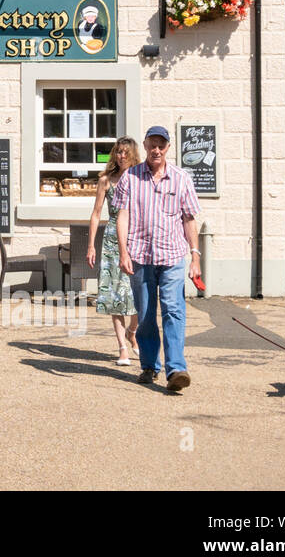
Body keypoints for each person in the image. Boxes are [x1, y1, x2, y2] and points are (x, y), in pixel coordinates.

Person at [115, 125, 202, 391]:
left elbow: (189, 218)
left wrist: (195, 256)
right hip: (141, 256)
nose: (156, 150)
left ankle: (176, 369)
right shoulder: (130, 177)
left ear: (167, 148)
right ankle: (150, 365)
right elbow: (123, 216)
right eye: (152, 144)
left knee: (173, 310)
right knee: (146, 314)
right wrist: (123, 252)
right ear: (145, 145)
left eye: (161, 145)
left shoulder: (181, 178)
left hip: (173, 256)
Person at [86, 137, 142, 365]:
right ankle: (122, 347)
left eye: (126, 152)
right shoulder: (106, 181)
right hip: (111, 240)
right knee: (114, 296)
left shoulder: (141, 178)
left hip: (136, 238)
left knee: (138, 294)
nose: (121, 156)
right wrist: (91, 245)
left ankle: (133, 331)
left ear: (133, 154)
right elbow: (96, 213)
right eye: (118, 152)